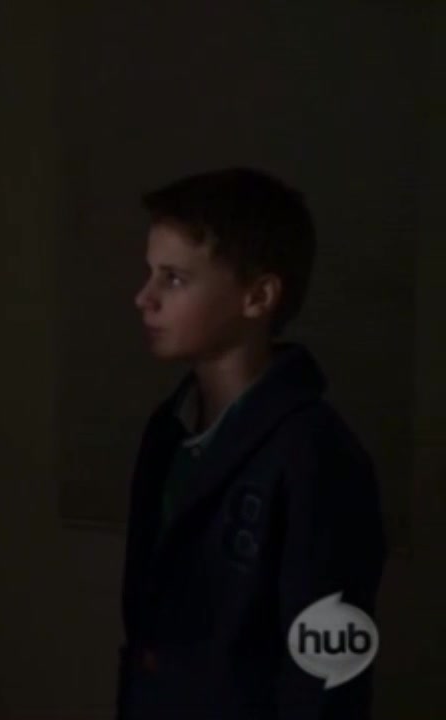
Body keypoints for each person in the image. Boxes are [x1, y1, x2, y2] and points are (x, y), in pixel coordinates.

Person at [117, 167, 387, 719]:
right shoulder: (167, 430)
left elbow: (328, 676)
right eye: (149, 274)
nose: (144, 298)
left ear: (258, 296)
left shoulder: (316, 454)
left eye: (174, 279)